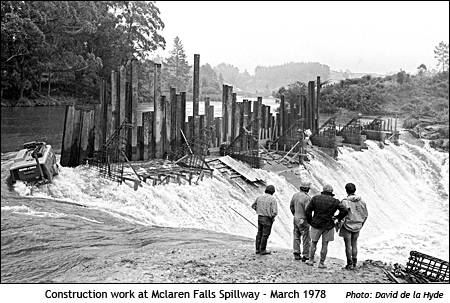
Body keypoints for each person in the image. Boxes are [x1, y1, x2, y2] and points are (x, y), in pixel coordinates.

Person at [305, 184, 348, 268]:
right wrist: (337, 217)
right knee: (325, 244)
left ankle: (310, 260)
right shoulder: (335, 201)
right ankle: (321, 263)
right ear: (331, 192)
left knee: (313, 243)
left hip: (316, 224)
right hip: (329, 225)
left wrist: (310, 221)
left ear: (323, 190)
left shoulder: (315, 198)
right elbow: (345, 210)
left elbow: (308, 210)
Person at [338, 183, 368, 270]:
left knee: (348, 245)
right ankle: (354, 263)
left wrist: (339, 224)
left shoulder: (345, 201)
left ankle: (349, 264)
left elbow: (342, 215)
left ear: (346, 190)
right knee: (354, 244)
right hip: (358, 225)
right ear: (355, 190)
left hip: (347, 225)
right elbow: (365, 215)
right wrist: (361, 224)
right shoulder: (362, 201)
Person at [251, 185, 278, 255]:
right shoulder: (272, 199)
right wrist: (272, 217)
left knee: (259, 233)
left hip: (260, 217)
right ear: (273, 192)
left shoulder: (259, 197)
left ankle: (257, 249)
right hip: (267, 219)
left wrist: (258, 210)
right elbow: (275, 212)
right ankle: (263, 250)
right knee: (265, 235)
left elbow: (253, 206)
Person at [290, 180, 312, 261]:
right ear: (307, 189)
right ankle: (306, 255)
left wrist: (295, 214)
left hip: (296, 218)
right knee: (306, 238)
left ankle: (296, 253)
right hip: (303, 219)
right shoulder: (307, 198)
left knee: (296, 236)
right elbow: (308, 211)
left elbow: (291, 206)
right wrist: (310, 221)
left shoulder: (295, 195)